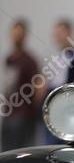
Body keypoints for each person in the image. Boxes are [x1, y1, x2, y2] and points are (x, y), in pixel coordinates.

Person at [2, 19, 44, 151]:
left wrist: (33, 108)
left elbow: (39, 85)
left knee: (21, 153)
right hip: (8, 113)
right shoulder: (9, 59)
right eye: (14, 33)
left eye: (20, 34)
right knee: (6, 154)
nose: (16, 37)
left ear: (25, 36)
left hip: (23, 115)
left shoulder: (29, 60)